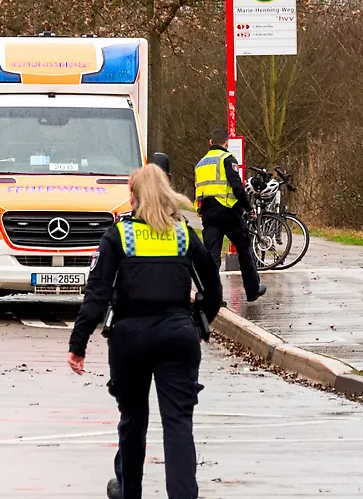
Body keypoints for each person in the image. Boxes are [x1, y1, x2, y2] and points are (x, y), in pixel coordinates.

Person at [67, 163, 223, 499]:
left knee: (133, 420)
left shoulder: (118, 235)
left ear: (134, 197)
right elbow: (214, 288)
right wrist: (199, 325)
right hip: (178, 335)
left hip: (130, 338)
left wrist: (78, 343)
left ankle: (129, 491)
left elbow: (96, 294)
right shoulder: (184, 234)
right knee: (178, 423)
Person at [194, 129, 266, 302]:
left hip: (208, 214)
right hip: (228, 212)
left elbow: (197, 191)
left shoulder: (200, 164)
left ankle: (213, 297)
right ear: (226, 144)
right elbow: (237, 187)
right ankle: (253, 289)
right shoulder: (227, 159)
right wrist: (248, 208)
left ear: (211, 143)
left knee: (212, 256)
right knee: (244, 249)